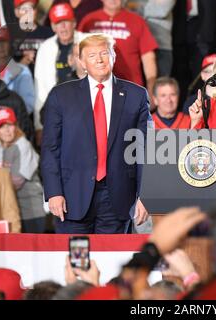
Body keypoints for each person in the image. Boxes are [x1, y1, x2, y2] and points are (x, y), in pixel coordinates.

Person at [41, 34, 151, 234]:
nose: (99, 59)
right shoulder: (61, 96)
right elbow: (50, 148)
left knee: (113, 263)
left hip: (118, 197)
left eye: (104, 53)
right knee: (76, 261)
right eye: (92, 55)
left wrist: (146, 195)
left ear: (114, 57)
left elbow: (146, 149)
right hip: (71, 197)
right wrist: (54, 192)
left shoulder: (136, 95)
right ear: (81, 62)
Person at [77, 0, 158, 101]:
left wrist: (151, 90)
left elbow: (148, 58)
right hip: (96, 92)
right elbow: (78, 55)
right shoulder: (89, 20)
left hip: (130, 91)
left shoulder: (137, 21)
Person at [34, 3, 83, 146]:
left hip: (84, 110)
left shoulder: (88, 41)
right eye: (58, 23)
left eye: (66, 22)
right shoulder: (45, 47)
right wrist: (38, 125)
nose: (63, 27)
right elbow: (40, 88)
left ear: (74, 23)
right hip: (57, 113)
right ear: (53, 27)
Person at [0, 107, 45, 233]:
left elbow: (16, 182)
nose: (7, 130)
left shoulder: (23, 145)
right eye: (2, 126)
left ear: (16, 126)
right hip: (10, 211)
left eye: (10, 125)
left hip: (30, 210)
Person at [12, 0, 54, 74]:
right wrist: (20, 64)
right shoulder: (8, 35)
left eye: (31, 8)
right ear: (17, 12)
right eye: (24, 9)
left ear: (36, 11)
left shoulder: (49, 33)